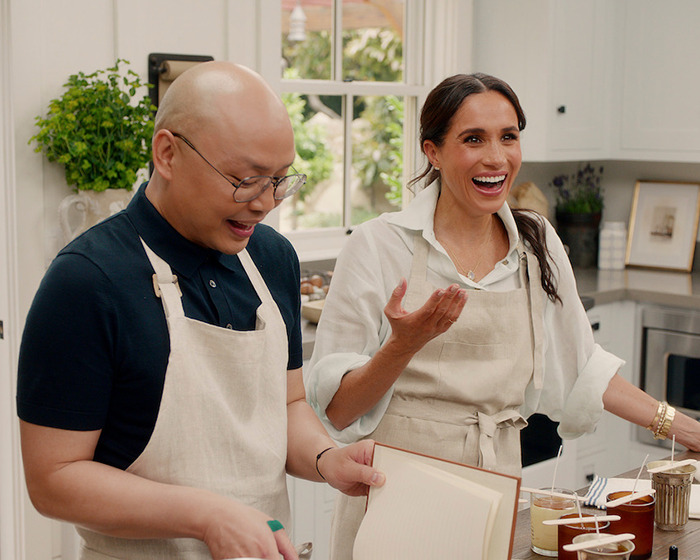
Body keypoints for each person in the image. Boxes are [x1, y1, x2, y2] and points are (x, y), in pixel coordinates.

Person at [304, 72, 700, 559]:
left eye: (508, 136)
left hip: (496, 487)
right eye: (473, 139)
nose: (496, 157)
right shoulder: (377, 245)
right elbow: (338, 409)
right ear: (433, 150)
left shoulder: (536, 243)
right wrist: (403, 345)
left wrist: (682, 428)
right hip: (396, 491)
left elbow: (583, 367)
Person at [16, 61, 385, 560]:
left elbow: (288, 404)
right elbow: (53, 480)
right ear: (167, 153)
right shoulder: (87, 281)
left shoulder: (272, 258)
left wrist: (328, 459)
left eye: (280, 180)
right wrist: (207, 515)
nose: (265, 203)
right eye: (246, 179)